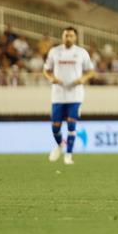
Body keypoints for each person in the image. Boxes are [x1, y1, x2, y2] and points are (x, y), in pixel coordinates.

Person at [43, 26, 95, 165]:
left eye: (71, 36)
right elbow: (46, 70)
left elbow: (90, 71)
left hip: (75, 95)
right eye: (66, 35)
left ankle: (69, 155)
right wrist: (51, 78)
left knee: (72, 125)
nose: (68, 38)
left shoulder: (81, 52)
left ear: (75, 37)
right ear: (62, 36)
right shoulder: (55, 51)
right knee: (55, 127)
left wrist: (83, 79)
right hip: (58, 94)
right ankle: (60, 145)